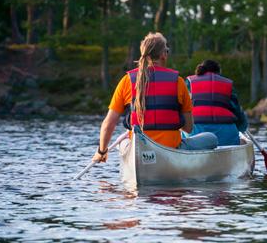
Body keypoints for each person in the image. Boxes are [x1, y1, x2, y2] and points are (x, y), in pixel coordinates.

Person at [92, 33, 217, 163]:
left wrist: (101, 151)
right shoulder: (178, 82)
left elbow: (108, 124)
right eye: (167, 51)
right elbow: (188, 128)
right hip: (172, 150)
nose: (167, 54)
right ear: (163, 54)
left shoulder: (127, 81)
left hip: (140, 151)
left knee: (122, 142)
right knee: (211, 138)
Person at [184, 60, 248, 146]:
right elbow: (238, 115)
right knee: (242, 142)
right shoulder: (227, 84)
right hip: (226, 134)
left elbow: (183, 111)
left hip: (196, 134)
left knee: (182, 135)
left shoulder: (189, 83)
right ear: (219, 72)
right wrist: (242, 128)